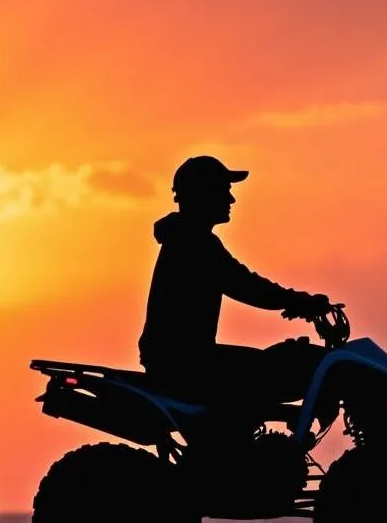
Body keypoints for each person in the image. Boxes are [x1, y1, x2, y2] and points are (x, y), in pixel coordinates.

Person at [137, 155, 333, 419]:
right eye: (223, 191)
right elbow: (245, 285)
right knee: (275, 371)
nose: (231, 200)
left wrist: (292, 301)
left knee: (265, 370)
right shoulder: (194, 242)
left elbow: (243, 283)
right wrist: (298, 301)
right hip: (185, 363)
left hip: (178, 359)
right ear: (203, 194)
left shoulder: (186, 236)